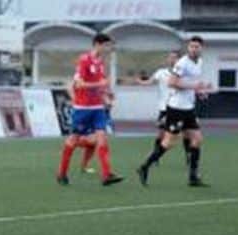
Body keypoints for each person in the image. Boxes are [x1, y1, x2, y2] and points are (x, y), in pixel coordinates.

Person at [137, 36, 212, 187]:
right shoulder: (182, 63)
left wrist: (199, 91)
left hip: (188, 108)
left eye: (196, 47)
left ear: (202, 48)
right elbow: (172, 83)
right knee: (168, 143)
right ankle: (144, 167)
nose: (193, 49)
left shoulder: (199, 62)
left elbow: (191, 83)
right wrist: (195, 87)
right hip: (176, 108)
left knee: (197, 139)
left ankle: (193, 177)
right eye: (191, 46)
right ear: (188, 48)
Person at [56, 33, 124, 186]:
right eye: (107, 45)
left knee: (102, 139)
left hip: (97, 108)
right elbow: (79, 84)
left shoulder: (100, 63)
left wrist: (107, 93)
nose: (109, 49)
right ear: (98, 44)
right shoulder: (84, 60)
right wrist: (99, 85)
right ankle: (62, 173)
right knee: (73, 140)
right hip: (83, 109)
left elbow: (98, 85)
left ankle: (106, 175)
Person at [136, 50, 193, 165]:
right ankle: (156, 157)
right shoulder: (161, 72)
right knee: (161, 135)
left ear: (179, 60)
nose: (172, 60)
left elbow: (189, 86)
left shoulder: (183, 74)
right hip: (164, 109)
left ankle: (189, 156)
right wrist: (140, 81)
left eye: (175, 58)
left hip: (179, 107)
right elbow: (149, 82)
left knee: (186, 133)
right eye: (170, 57)